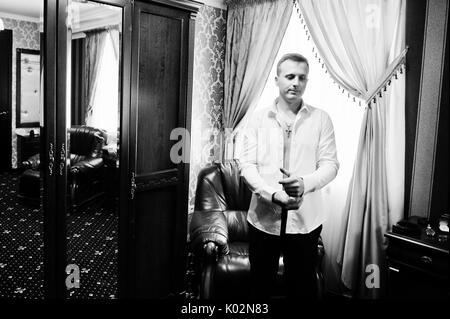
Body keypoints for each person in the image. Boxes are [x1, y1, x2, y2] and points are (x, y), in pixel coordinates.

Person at [236, 53, 339, 300]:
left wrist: (305, 184)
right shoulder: (257, 119)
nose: (295, 82)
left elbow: (331, 164)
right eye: (289, 76)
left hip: (306, 221)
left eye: (302, 77)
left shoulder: (321, 118)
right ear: (277, 79)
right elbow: (246, 166)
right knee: (260, 286)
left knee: (301, 288)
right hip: (263, 218)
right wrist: (272, 194)